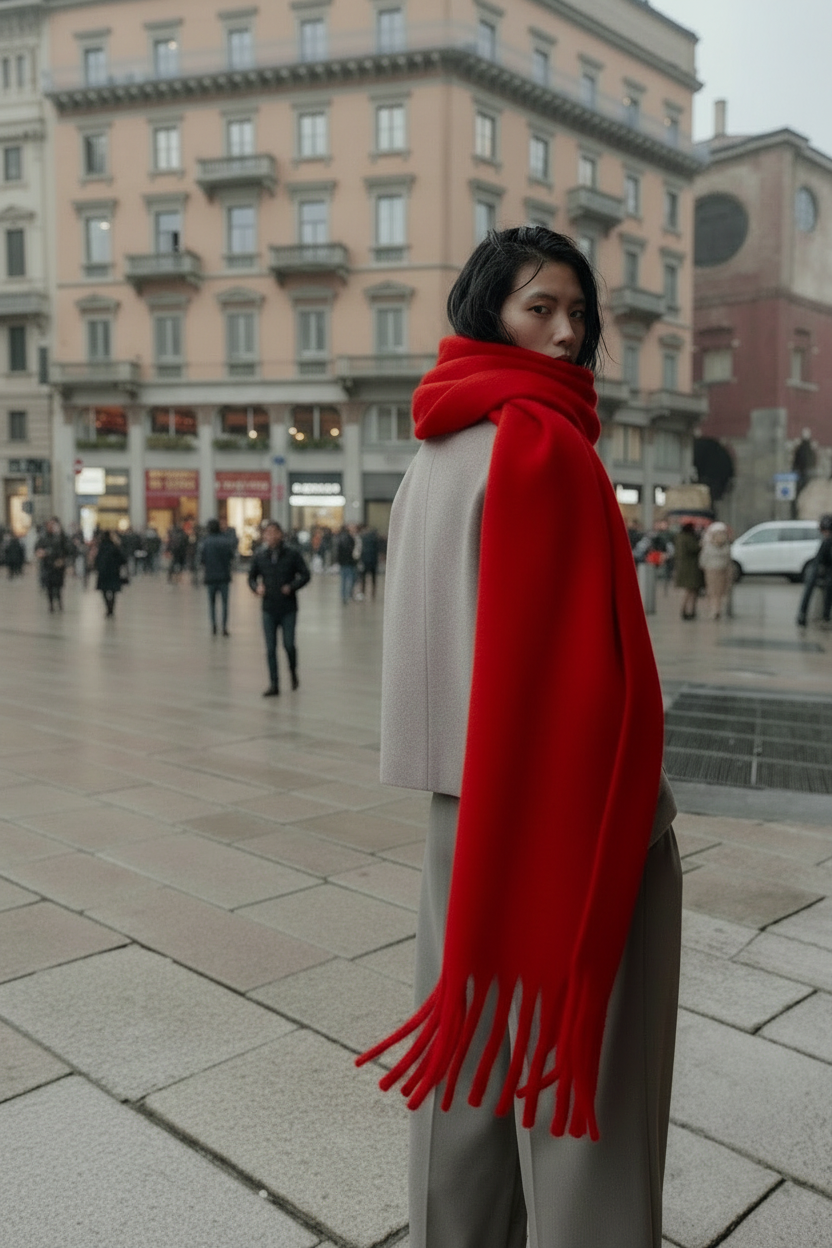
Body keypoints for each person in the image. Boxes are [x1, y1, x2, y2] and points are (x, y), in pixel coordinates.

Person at [355, 226, 681, 1248]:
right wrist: (637, 822)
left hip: (462, 804)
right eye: (538, 307)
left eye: (576, 314)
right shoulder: (545, 444)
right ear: (485, 308)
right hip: (562, 810)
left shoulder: (435, 445)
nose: (565, 332)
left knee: (474, 1062)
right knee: (585, 1074)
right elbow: (579, 672)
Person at [248, 521, 310, 696]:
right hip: (268, 608)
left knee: (289, 645)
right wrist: (256, 588)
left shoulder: (292, 554)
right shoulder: (260, 556)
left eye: (274, 532)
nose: (271, 536)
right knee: (270, 648)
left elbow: (306, 575)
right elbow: (251, 577)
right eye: (267, 533)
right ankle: (274, 683)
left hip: (288, 607)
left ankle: (293, 672)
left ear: (281, 534)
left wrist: (292, 586)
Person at [200, 518, 235, 636]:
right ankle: (224, 627)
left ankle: (213, 626)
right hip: (224, 577)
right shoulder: (225, 541)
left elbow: (202, 560)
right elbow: (231, 557)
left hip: (210, 577)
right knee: (225, 604)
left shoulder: (206, 542)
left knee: (212, 603)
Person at [796, 514, 832, 627]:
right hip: (824, 567)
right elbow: (819, 560)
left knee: (828, 584)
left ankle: (824, 615)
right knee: (812, 581)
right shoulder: (826, 542)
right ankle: (803, 614)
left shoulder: (827, 542)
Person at [35, 518, 75, 612]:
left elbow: (69, 549)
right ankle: (51, 604)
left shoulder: (61, 537)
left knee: (58, 586)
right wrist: (40, 553)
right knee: (49, 586)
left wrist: (63, 560)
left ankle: (59, 601)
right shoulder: (43, 538)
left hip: (58, 566)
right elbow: (37, 548)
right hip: (47, 565)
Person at [698, 521, 733, 619]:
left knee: (712, 591)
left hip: (711, 569)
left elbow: (703, 559)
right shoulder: (726, 545)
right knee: (720, 591)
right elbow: (728, 558)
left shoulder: (708, 545)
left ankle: (714, 610)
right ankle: (718, 609)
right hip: (723, 569)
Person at [93, 530, 127, 618]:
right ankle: (111, 608)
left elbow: (97, 560)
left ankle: (108, 606)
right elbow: (123, 559)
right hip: (114, 573)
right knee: (113, 592)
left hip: (103, 573)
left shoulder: (101, 547)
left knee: (104, 591)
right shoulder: (115, 547)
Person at [674, 521, 703, 619]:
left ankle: (686, 610)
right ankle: (689, 610)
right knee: (691, 591)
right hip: (691, 567)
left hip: (684, 567)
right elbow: (694, 548)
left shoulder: (679, 537)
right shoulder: (689, 538)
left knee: (689, 591)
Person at [335, 523, 359, 603]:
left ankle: (345, 596)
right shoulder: (350, 539)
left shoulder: (341, 538)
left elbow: (338, 551)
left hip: (344, 563)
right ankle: (348, 595)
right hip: (349, 562)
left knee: (344, 580)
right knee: (350, 579)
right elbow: (352, 551)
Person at [357, 525, 380, 600]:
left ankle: (363, 592)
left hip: (365, 561)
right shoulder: (375, 539)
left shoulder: (363, 538)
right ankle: (373, 594)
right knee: (373, 579)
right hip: (373, 561)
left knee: (363, 578)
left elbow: (360, 550)